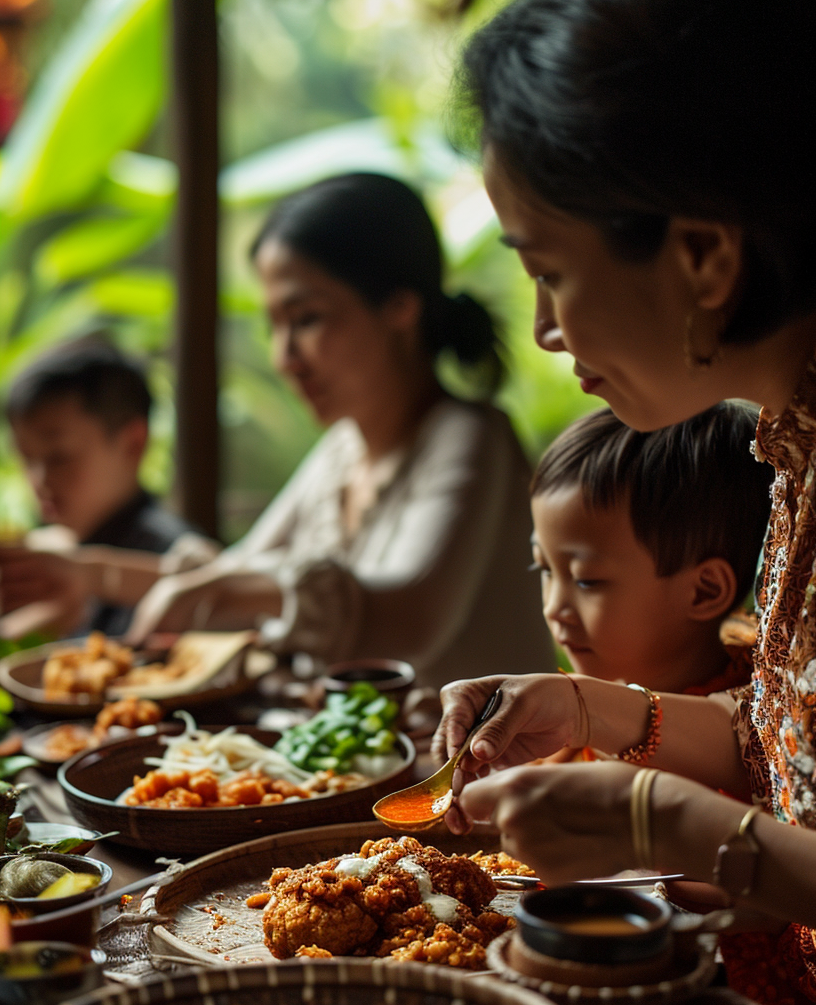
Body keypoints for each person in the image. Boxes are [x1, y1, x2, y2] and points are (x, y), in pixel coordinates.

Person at [432, 0, 816, 1005]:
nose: (546, 328)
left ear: (702, 255)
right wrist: (594, 712)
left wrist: (670, 823)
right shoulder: (789, 439)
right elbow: (784, 743)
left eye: (551, 269)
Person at [0, 174, 551, 688]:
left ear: (399, 309)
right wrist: (85, 573)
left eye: (306, 319)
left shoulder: (470, 436)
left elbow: (406, 619)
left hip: (471, 779)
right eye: (274, 327)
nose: (284, 358)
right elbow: (230, 575)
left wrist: (211, 586)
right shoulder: (343, 449)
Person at [530, 403, 772, 694]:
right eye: (544, 569)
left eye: (586, 580)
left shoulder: (736, 728)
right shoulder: (586, 705)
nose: (553, 609)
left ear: (704, 591)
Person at [1, 337, 197, 638]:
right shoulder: (62, 551)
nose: (39, 480)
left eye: (59, 457)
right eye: (27, 460)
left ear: (132, 443)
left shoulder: (172, 558)